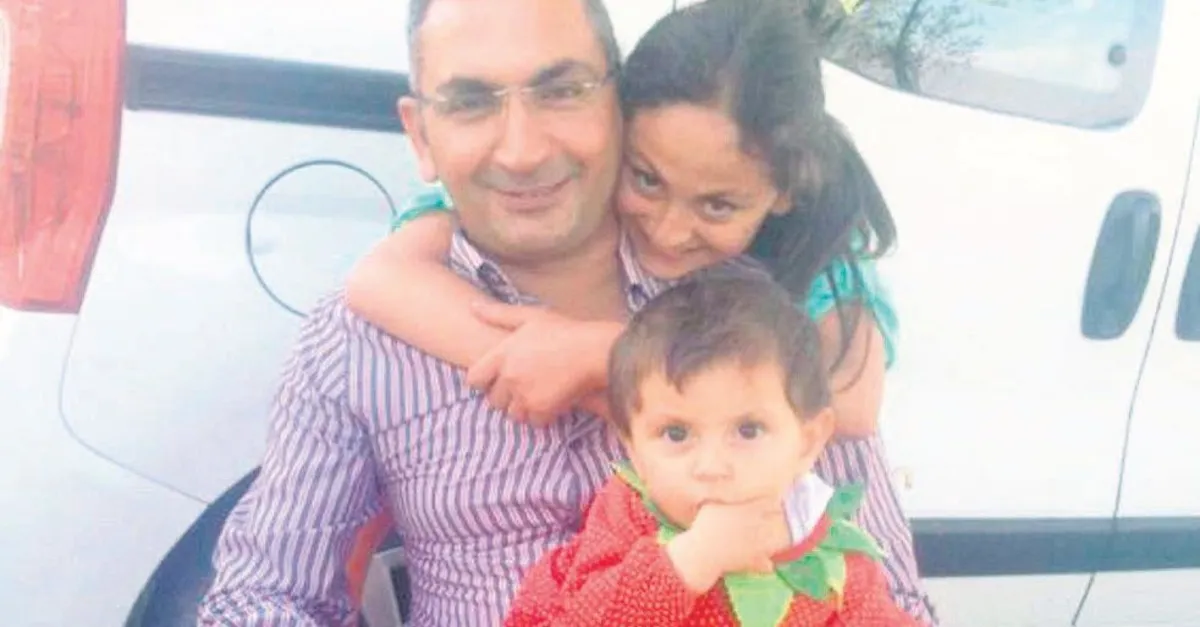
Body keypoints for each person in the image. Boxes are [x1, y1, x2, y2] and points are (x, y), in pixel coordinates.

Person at [344, 0, 937, 623]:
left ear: (783, 194)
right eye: (647, 179)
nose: (671, 229)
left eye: (717, 206)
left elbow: (851, 407)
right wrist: (541, 352)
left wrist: (611, 358)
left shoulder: (803, 279)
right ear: (618, 130)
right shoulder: (470, 229)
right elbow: (378, 279)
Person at [197, 0, 671, 624]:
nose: (522, 151)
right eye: (470, 103)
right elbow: (264, 594)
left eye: (562, 91)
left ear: (620, 105)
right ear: (420, 136)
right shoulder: (357, 344)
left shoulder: (747, 305)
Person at [502, 272, 919, 626]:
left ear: (807, 441)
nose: (712, 466)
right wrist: (687, 563)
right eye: (676, 434)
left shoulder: (824, 545)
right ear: (635, 450)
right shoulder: (625, 519)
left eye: (748, 430)